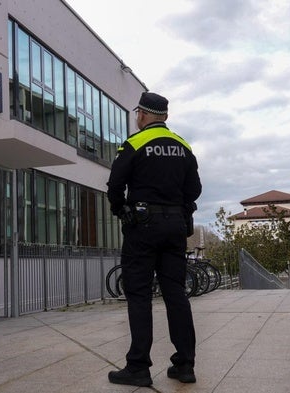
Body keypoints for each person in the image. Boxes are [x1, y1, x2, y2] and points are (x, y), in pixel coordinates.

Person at [106, 92, 202, 387]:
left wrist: (120, 210)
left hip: (142, 227)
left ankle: (138, 367)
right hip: (175, 226)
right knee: (176, 294)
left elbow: (115, 185)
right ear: (166, 117)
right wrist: (180, 211)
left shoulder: (134, 143)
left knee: (139, 294)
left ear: (142, 115)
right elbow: (195, 189)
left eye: (137, 113)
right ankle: (185, 365)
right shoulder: (183, 146)